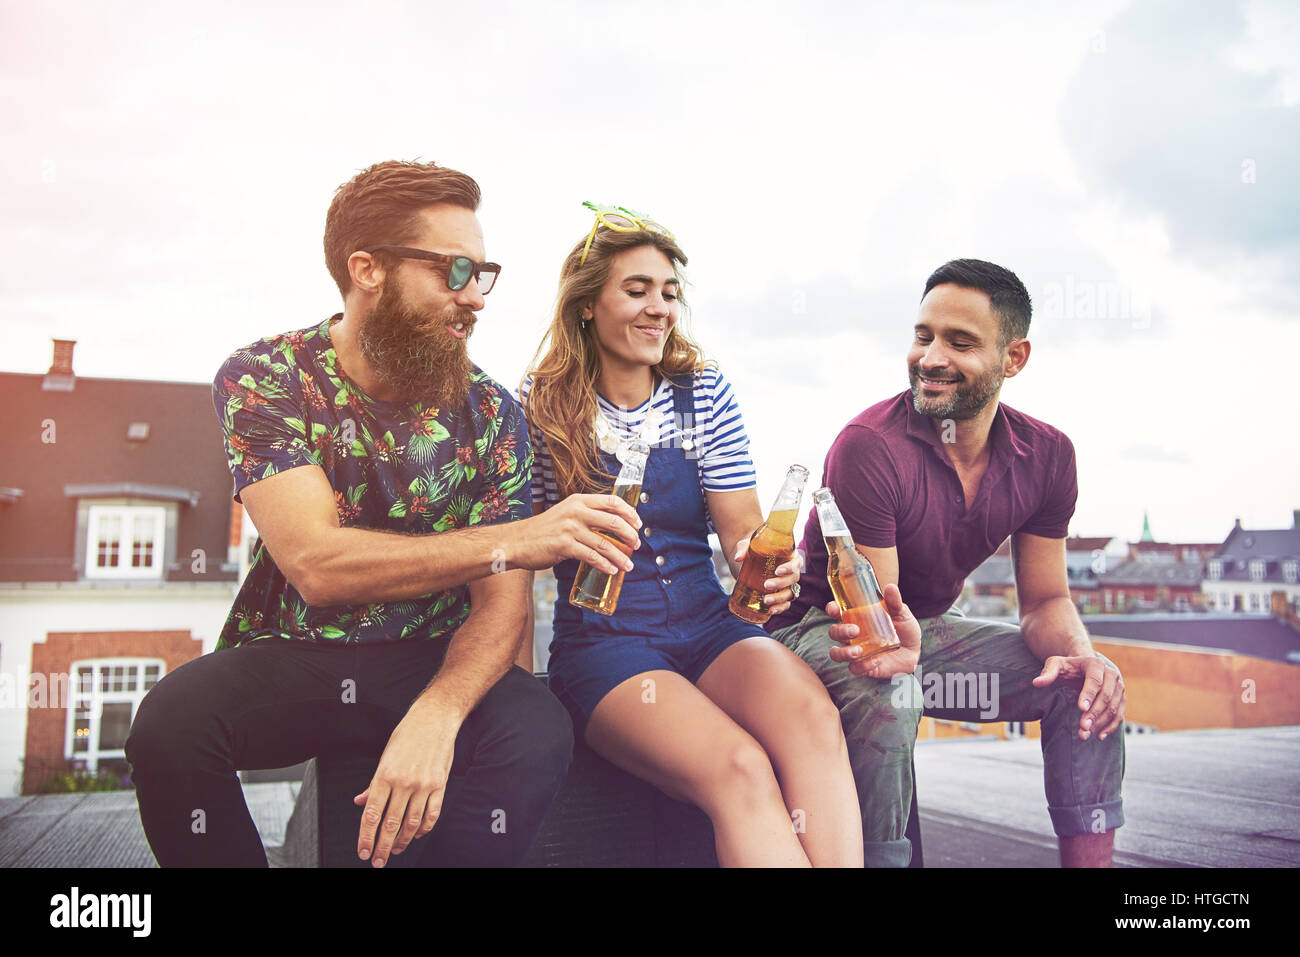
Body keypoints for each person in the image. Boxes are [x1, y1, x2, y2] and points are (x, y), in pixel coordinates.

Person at [125, 161, 645, 868]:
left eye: (483, 274)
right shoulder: (267, 375)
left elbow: (501, 610)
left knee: (535, 729)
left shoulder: (494, 412)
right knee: (170, 723)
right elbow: (317, 564)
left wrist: (439, 712)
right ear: (366, 269)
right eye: (454, 271)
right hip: (299, 650)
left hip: (431, 653)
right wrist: (517, 538)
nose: (476, 298)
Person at [520, 203, 869, 867]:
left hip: (712, 628)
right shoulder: (542, 405)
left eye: (669, 292)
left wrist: (763, 568)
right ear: (587, 304)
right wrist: (505, 688)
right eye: (637, 289)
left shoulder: (703, 392)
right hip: (607, 645)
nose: (660, 308)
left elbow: (743, 535)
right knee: (740, 767)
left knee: (816, 721)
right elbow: (516, 557)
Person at [768, 258, 1126, 868]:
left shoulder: (1049, 455)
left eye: (960, 343)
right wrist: (903, 660)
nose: (930, 358)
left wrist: (1083, 656)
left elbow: (1044, 603)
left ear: (1014, 358)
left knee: (1085, 688)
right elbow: (878, 625)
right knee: (888, 692)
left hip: (923, 632)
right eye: (923, 335)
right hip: (823, 634)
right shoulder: (870, 447)